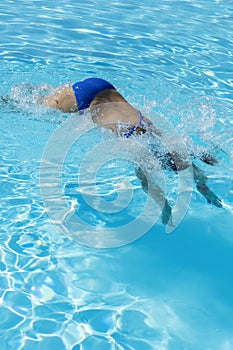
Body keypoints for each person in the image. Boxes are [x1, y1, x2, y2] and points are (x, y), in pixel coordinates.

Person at [43, 77, 222, 225]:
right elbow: (148, 184)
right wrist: (165, 210)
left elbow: (187, 164)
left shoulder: (159, 137)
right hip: (87, 100)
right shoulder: (142, 149)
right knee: (36, 107)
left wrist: (205, 188)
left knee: (43, 100)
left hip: (103, 87)